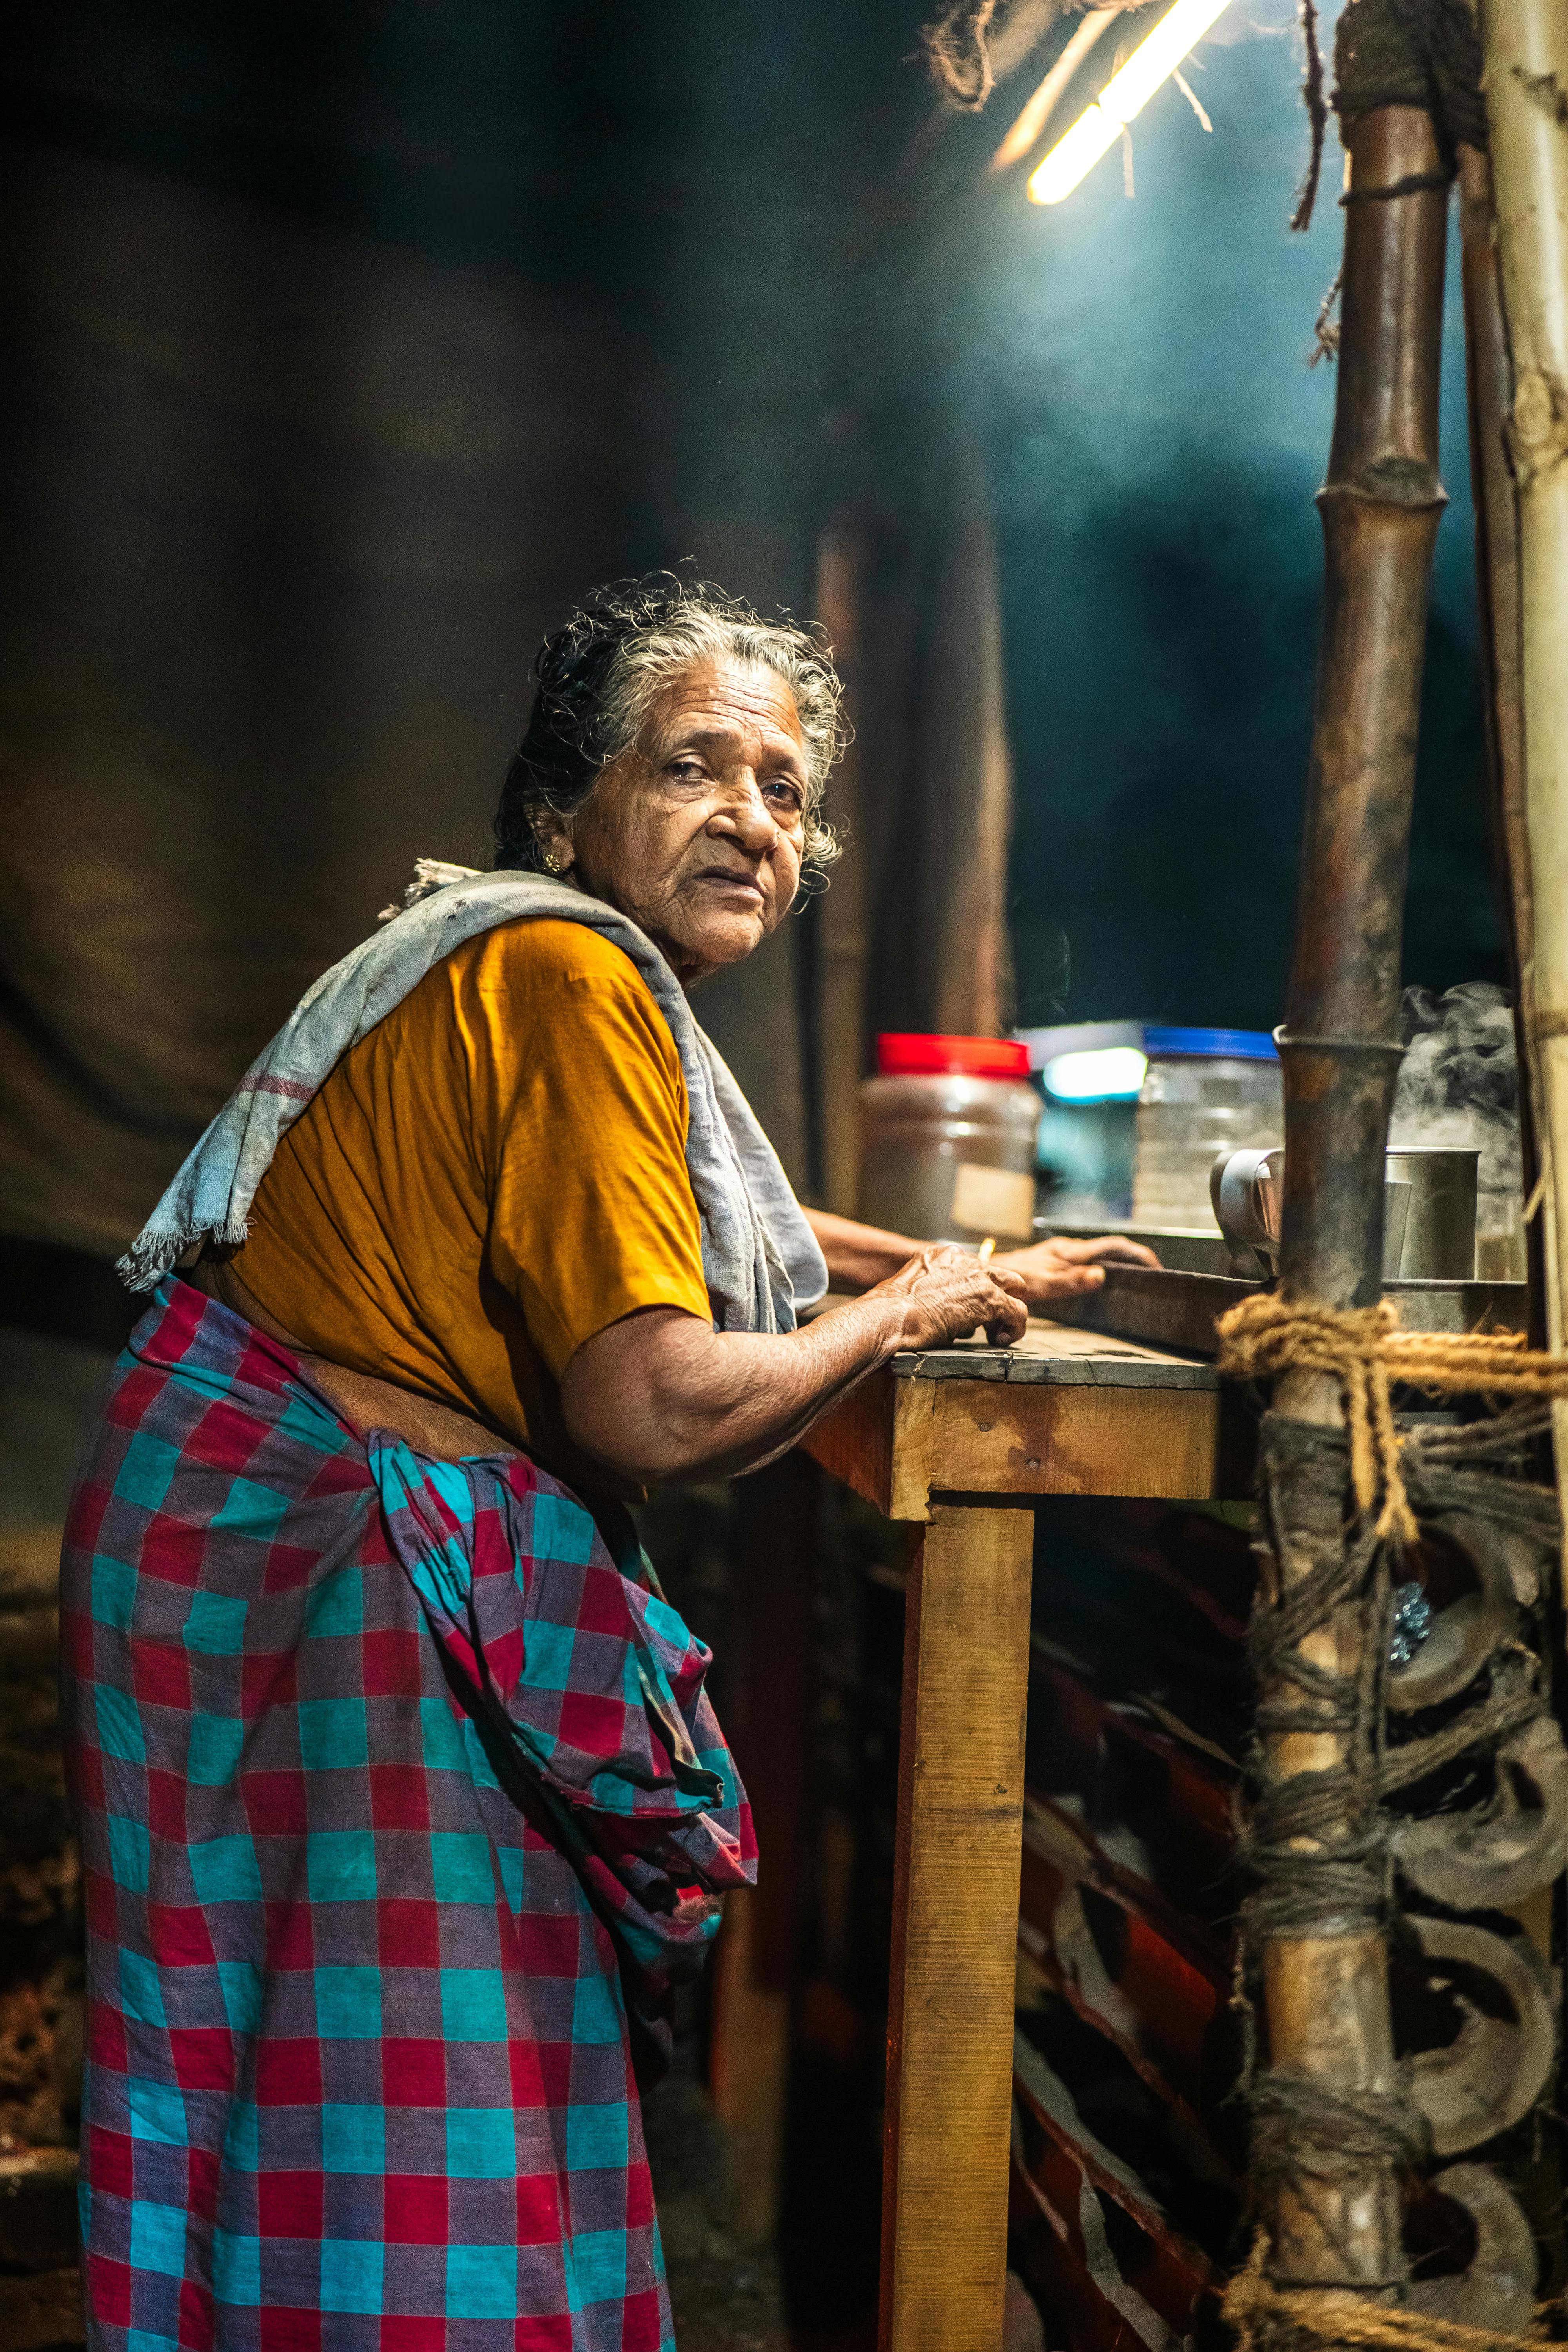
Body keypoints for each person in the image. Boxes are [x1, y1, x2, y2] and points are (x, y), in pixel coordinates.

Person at [62, 579, 1155, 2352]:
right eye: (693, 767)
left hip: (222, 1524)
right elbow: (647, 1407)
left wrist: (944, 1269)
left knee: (264, 2073)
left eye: (785, 790)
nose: (749, 817)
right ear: (570, 808)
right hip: (313, 1550)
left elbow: (701, 1210)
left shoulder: (516, 951)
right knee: (411, 2085)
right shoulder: (567, 971)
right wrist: (905, 1318)